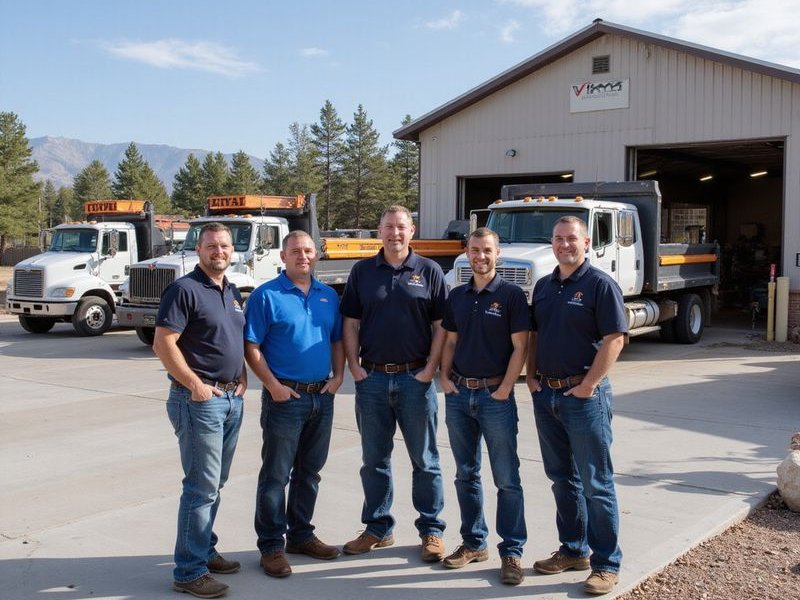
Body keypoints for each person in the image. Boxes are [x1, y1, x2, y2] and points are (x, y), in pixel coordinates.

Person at [525, 215, 627, 596]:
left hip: (583, 398)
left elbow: (615, 339)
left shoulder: (600, 285)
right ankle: (573, 549)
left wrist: (588, 386)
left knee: (595, 483)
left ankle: (605, 564)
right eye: (558, 239)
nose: (564, 245)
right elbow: (535, 335)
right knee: (561, 479)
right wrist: (531, 377)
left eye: (572, 239)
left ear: (586, 243)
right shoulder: (545, 286)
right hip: (546, 395)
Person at [339, 205, 447, 562]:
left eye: (401, 227)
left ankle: (431, 530)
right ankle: (377, 528)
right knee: (374, 460)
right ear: (379, 231)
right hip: (371, 379)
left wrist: (431, 368)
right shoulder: (362, 271)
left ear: (411, 230)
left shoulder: (429, 271)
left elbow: (441, 327)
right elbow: (351, 323)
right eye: (388, 227)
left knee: (426, 460)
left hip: (416, 379)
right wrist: (354, 367)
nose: (394, 233)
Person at [153, 222, 247, 599]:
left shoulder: (232, 290)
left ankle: (204, 550)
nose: (218, 251)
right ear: (198, 249)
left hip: (230, 399)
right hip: (198, 403)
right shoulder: (183, 290)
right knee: (200, 487)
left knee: (214, 484)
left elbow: (232, 338)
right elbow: (163, 343)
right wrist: (195, 385)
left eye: (224, 245)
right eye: (211, 245)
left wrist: (241, 377)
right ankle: (189, 571)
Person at [244, 230, 345, 578]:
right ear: (283, 256)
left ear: (316, 254)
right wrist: (272, 386)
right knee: (276, 475)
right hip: (285, 398)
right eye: (295, 251)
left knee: (310, 472)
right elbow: (252, 347)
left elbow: (337, 340)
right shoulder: (265, 296)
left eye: (307, 250)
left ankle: (301, 535)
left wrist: (339, 377)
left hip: (322, 396)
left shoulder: (328, 296)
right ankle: (272, 545)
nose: (302, 256)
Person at [438, 227, 529, 585]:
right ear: (467, 253)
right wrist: (445, 379)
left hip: (495, 398)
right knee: (466, 474)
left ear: (497, 254)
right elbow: (449, 341)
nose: (480, 256)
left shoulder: (511, 296)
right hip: (460, 396)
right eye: (474, 250)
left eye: (487, 250)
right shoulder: (457, 295)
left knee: (506, 479)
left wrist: (506, 388)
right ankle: (474, 542)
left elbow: (521, 347)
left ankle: (512, 553)